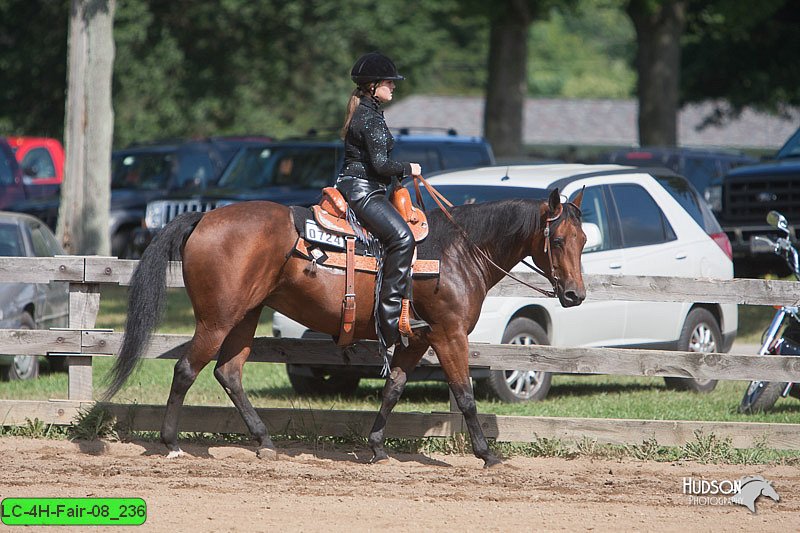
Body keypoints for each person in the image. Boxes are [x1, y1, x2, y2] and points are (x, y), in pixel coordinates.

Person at [335, 52, 429, 350]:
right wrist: (408, 168)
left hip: (359, 187)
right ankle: (389, 322)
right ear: (373, 85)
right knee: (402, 238)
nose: (394, 86)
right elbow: (380, 165)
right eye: (389, 82)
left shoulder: (365, 112)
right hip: (364, 190)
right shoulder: (370, 117)